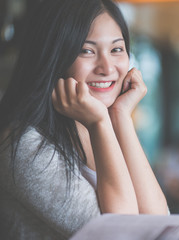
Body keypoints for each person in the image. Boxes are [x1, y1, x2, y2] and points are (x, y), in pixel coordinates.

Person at [0, 0, 168, 239]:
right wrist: (100, 121)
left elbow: (159, 223)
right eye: (86, 50)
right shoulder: (23, 145)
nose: (107, 67)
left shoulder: (106, 127)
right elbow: (120, 234)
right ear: (56, 56)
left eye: (116, 49)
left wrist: (120, 117)